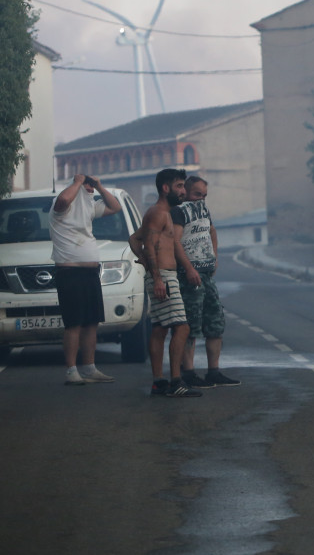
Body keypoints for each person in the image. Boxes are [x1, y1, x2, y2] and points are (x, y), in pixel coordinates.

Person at [129, 168, 201, 398]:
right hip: (164, 277)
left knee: (160, 330)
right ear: (165, 188)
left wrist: (145, 263)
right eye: (179, 186)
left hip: (162, 275)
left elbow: (134, 238)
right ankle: (176, 381)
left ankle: (159, 383)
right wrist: (156, 276)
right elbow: (148, 244)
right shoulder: (157, 212)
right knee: (182, 327)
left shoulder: (165, 213)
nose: (183, 191)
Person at [50, 174, 122, 385]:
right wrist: (78, 182)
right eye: (87, 187)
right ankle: (71, 370)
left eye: (91, 187)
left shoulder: (89, 206)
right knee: (74, 323)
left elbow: (115, 207)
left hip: (90, 273)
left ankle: (89, 367)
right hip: (70, 272)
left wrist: (99, 185)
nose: (90, 190)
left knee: (92, 322)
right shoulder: (63, 204)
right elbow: (63, 200)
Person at [172, 176, 240, 389]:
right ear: (187, 192)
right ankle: (188, 371)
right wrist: (189, 268)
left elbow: (211, 231)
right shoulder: (179, 211)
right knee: (190, 325)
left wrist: (215, 256)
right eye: (197, 194)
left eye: (204, 195)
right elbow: (175, 240)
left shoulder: (204, 210)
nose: (201, 199)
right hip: (188, 275)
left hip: (207, 274)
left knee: (215, 322)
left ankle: (214, 371)